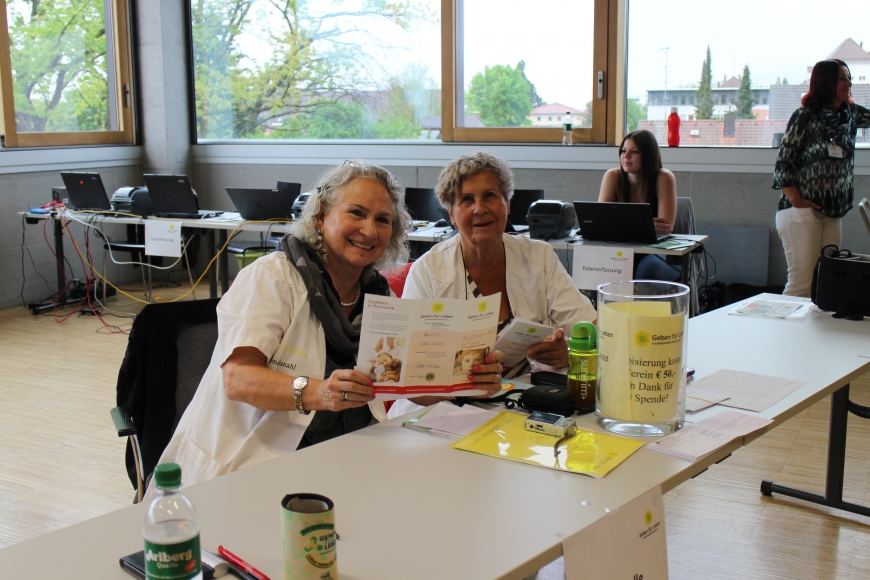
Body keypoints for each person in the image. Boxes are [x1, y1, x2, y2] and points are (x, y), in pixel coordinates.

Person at [148, 161, 485, 495]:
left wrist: (466, 381)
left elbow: (395, 386)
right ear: (321, 216)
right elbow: (238, 379)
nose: (370, 230)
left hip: (346, 461)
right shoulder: (273, 276)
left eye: (383, 220)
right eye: (356, 212)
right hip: (250, 470)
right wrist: (319, 392)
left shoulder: (379, 294)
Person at [389, 152, 597, 418]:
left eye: (490, 195)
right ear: (451, 214)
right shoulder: (427, 271)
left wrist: (567, 353)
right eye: (466, 200)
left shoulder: (539, 257)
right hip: (437, 412)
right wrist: (462, 383)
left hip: (515, 406)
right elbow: (406, 370)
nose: (480, 208)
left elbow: (589, 329)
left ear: (507, 205)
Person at [773, 59, 870, 297]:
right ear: (826, 82)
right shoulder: (805, 116)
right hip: (801, 211)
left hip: (832, 211)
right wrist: (796, 198)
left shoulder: (851, 115)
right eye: (841, 78)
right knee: (801, 286)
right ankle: (783, 333)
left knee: (825, 284)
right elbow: (784, 161)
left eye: (848, 77)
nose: (848, 83)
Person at [598, 129, 679, 281]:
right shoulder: (612, 176)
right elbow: (602, 224)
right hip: (618, 250)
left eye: (634, 151)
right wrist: (644, 225)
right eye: (623, 151)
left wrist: (619, 222)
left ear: (648, 156)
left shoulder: (664, 177)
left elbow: (665, 227)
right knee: (597, 266)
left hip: (654, 252)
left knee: (647, 268)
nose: (626, 156)